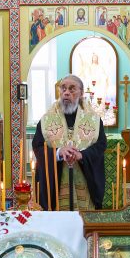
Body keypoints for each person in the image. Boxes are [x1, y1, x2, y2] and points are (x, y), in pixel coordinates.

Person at [33, 75, 106, 211]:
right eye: (63, 88)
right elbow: (37, 146)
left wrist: (82, 155)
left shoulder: (94, 119)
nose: (66, 92)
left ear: (81, 93)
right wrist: (58, 152)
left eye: (72, 89)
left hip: (84, 182)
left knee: (83, 221)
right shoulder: (46, 119)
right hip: (56, 184)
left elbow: (101, 145)